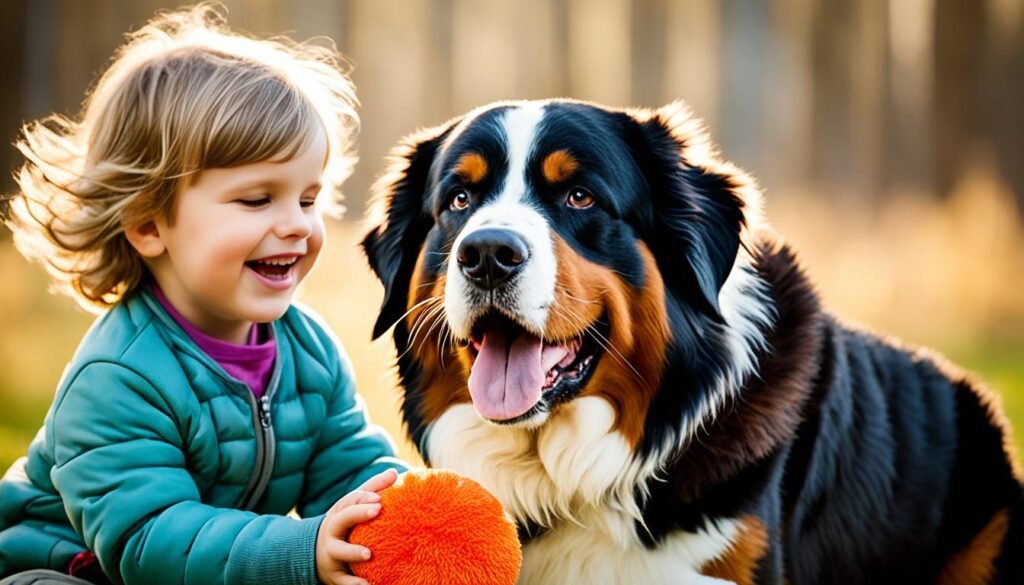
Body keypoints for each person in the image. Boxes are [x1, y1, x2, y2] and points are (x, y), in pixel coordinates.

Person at [0, 4, 409, 585]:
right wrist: (301, 550)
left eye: (308, 198)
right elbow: (150, 540)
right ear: (148, 225)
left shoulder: (309, 350)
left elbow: (356, 471)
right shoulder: (119, 376)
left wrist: (410, 525)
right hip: (77, 566)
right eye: (256, 199)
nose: (296, 224)